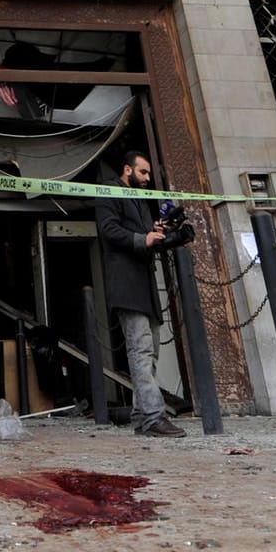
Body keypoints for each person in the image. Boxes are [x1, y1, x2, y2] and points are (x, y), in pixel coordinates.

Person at [95, 150, 193, 438]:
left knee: (149, 355)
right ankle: (153, 417)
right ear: (127, 170)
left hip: (144, 286)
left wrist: (164, 234)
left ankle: (141, 415)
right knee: (140, 351)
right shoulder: (109, 191)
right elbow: (109, 229)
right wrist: (143, 237)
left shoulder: (139, 199)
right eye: (143, 173)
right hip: (127, 285)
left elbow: (148, 239)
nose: (148, 179)